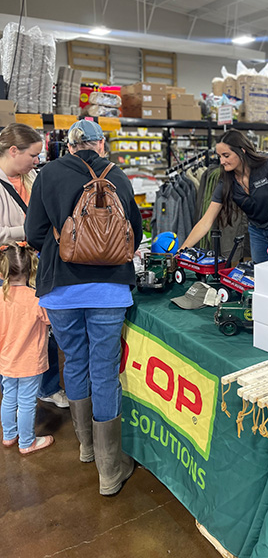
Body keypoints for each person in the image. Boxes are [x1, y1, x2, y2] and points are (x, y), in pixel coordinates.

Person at [25, 119, 143, 496]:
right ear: (100, 144)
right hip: (109, 289)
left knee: (73, 360)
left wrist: (66, 245)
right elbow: (134, 234)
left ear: (69, 145)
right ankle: (111, 471)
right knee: (105, 370)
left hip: (61, 290)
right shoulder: (119, 177)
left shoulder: (48, 174)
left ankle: (87, 448)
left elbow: (33, 234)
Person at [0, 122, 68, 409]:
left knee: (42, 328)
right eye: (32, 155)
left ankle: (48, 386)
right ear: (14, 151)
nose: (37, 161)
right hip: (7, 270)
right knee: (9, 331)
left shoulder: (32, 178)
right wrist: (28, 230)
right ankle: (10, 389)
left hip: (34, 267)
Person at [180, 129, 268, 262]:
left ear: (242, 151)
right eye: (219, 156)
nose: (222, 161)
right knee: (260, 278)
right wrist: (182, 251)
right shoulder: (227, 181)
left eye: (226, 155)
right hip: (257, 233)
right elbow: (206, 221)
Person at [0, 241, 54, 454]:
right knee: (27, 402)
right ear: (32, 268)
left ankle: (9, 435)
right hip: (30, 362)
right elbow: (51, 321)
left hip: (6, 361)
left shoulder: (1, 298)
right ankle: (27, 443)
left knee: (8, 397)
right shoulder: (37, 300)